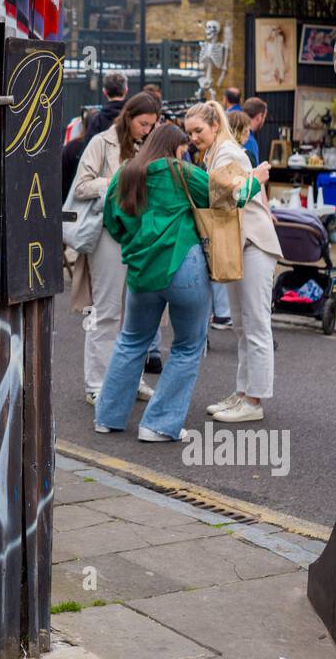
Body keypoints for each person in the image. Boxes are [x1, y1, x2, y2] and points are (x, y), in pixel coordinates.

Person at [93, 124, 269, 442]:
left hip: (141, 270)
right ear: (175, 149)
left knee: (131, 341)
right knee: (188, 346)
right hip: (182, 266)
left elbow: (111, 222)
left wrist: (135, 244)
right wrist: (256, 180)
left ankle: (107, 417)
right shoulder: (180, 171)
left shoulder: (125, 173)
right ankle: (158, 425)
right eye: (183, 150)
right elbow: (232, 197)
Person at [185, 100, 280, 424]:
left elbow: (232, 197)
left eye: (198, 130)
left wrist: (257, 179)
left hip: (254, 243)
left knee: (254, 325)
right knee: (242, 325)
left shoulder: (228, 153)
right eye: (190, 132)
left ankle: (253, 401)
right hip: (244, 244)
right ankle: (243, 393)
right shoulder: (217, 152)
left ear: (215, 125)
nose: (193, 137)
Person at [69, 92, 162, 406]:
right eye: (143, 123)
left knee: (135, 315)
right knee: (106, 312)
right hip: (108, 233)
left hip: (139, 235)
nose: (147, 130)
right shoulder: (101, 143)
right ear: (129, 117)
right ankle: (96, 384)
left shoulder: (148, 146)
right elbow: (81, 186)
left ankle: (130, 379)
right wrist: (117, 181)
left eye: (152, 125)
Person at [83, 72, 128, 144]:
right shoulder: (133, 116)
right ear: (126, 90)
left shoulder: (97, 119)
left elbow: (89, 148)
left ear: (104, 91)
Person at [241, 97, 268, 166]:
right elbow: (254, 173)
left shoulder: (235, 133)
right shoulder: (250, 141)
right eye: (264, 117)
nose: (264, 121)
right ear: (259, 117)